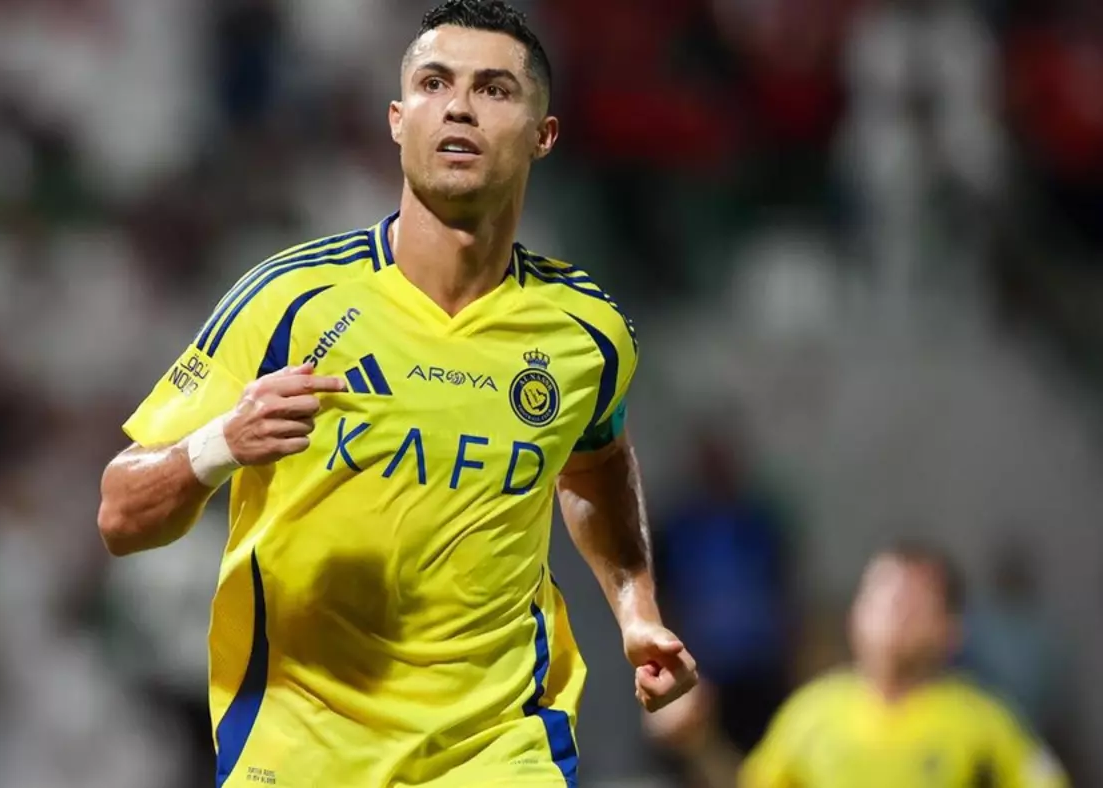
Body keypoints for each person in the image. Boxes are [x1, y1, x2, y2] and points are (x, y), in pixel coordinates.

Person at [96, 1, 699, 785]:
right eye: (434, 83)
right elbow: (119, 515)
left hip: (499, 747)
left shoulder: (587, 333)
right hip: (301, 745)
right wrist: (220, 445)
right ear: (397, 119)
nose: (458, 107)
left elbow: (594, 462)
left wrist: (636, 610)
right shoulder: (289, 302)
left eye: (494, 89)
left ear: (543, 135)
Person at [645, 542, 1068, 788]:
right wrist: (698, 741)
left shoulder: (984, 723)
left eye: (913, 600)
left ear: (950, 630)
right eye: (882, 595)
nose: (895, 611)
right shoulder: (811, 714)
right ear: (855, 614)